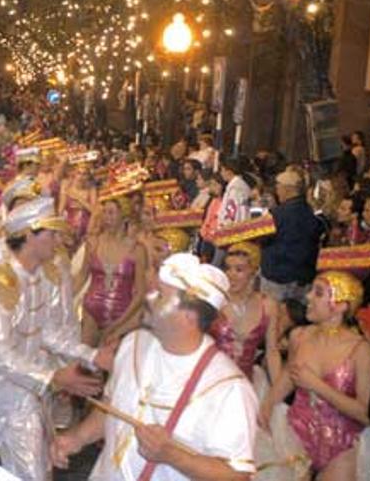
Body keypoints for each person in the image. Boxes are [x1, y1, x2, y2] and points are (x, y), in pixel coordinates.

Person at [53, 252, 259, 481]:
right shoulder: (133, 343)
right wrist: (77, 438)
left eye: (160, 295)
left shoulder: (229, 389)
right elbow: (113, 406)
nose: (148, 298)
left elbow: (237, 476)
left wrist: (174, 456)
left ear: (188, 316)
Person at [0, 196, 111, 479]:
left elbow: (48, 331)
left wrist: (92, 355)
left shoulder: (43, 276)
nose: (58, 239)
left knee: (34, 472)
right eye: (51, 233)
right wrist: (52, 378)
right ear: (28, 235)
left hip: (21, 395)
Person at [258, 271, 370, 480]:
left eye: (318, 293)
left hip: (342, 445)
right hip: (295, 435)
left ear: (341, 305)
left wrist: (316, 385)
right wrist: (266, 406)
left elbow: (364, 413)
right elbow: (288, 377)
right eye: (311, 290)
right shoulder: (300, 336)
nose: (308, 297)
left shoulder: (360, 349)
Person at [209, 241, 281, 391]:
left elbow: (272, 352)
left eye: (239, 270)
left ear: (254, 271)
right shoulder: (215, 299)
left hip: (246, 385)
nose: (230, 275)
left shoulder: (268, 305)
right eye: (228, 268)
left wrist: (276, 393)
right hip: (210, 383)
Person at [83, 195, 147, 346]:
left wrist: (120, 324)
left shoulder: (137, 250)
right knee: (84, 363)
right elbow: (81, 276)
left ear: (124, 218)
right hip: (91, 310)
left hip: (122, 314)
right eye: (104, 212)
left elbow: (140, 293)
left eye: (111, 213)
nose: (106, 217)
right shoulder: (94, 242)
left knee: (110, 365)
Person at [260, 169, 325, 302]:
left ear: (288, 189)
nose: (277, 191)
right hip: (303, 278)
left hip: (278, 278)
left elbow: (263, 238)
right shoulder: (310, 212)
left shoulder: (277, 215)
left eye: (278, 187)